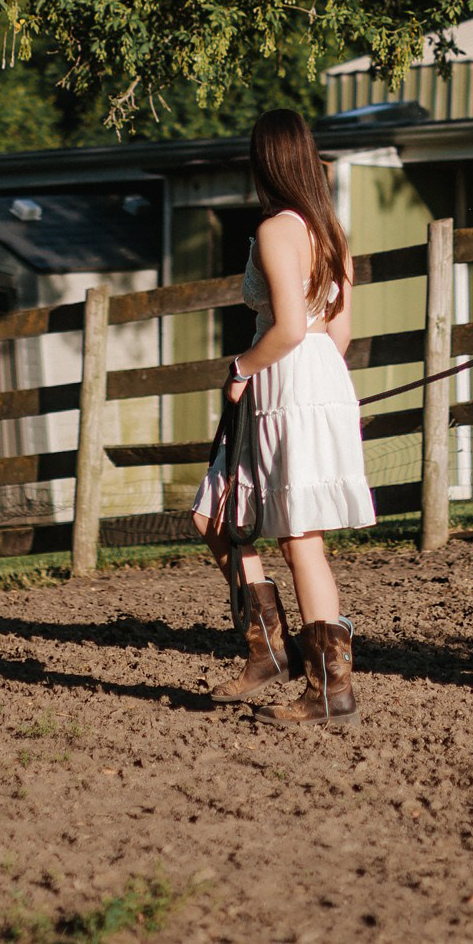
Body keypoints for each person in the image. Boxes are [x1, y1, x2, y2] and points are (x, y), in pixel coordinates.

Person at [189, 109, 376, 725]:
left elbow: (290, 327)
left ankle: (327, 687)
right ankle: (272, 649)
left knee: (298, 538)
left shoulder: (276, 229)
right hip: (322, 374)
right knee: (217, 513)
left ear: (264, 162)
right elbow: (339, 332)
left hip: (284, 375)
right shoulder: (332, 233)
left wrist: (243, 369)